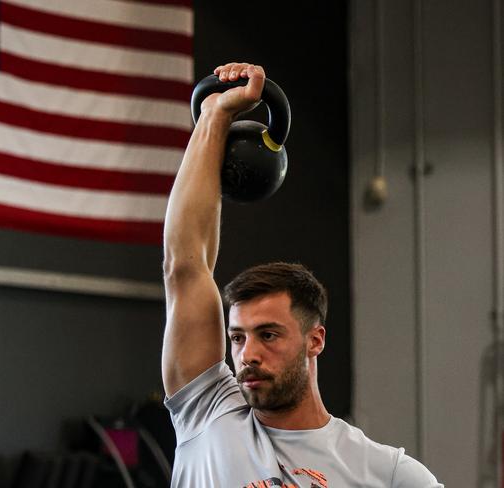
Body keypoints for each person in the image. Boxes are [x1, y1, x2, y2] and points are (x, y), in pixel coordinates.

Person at [161, 62, 443, 487]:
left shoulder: (386, 473)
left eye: (268, 335)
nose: (248, 355)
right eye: (237, 337)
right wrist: (215, 115)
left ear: (316, 339)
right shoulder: (208, 414)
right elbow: (185, 265)